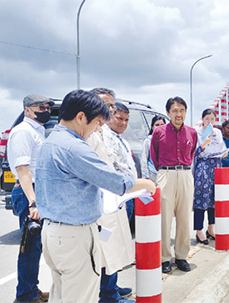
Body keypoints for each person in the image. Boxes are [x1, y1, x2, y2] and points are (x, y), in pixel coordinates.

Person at [36, 90, 155, 303]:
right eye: (97, 123)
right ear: (81, 117)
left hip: (53, 233)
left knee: (61, 295)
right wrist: (146, 183)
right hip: (75, 236)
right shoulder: (74, 147)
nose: (97, 130)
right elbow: (115, 181)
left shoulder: (52, 140)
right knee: (81, 298)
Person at [88, 88, 135, 303]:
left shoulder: (103, 131)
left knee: (113, 247)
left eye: (110, 106)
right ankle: (108, 295)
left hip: (115, 198)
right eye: (104, 105)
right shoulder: (89, 133)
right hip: (99, 201)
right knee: (104, 249)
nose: (107, 110)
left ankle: (110, 290)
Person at [7, 94, 53, 303]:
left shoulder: (38, 131)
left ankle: (31, 289)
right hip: (29, 193)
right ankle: (25, 296)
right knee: (29, 247)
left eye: (47, 107)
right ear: (27, 110)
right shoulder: (23, 132)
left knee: (36, 248)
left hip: (37, 191)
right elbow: (23, 169)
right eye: (41, 107)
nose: (46, 110)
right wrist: (33, 201)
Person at [150, 96, 197, 273]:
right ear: (168, 112)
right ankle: (164, 257)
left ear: (185, 112)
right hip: (166, 174)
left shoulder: (192, 132)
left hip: (185, 174)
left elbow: (192, 153)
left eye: (182, 110)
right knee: (164, 218)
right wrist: (165, 172)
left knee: (184, 217)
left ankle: (181, 256)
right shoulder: (159, 132)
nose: (179, 114)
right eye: (175, 110)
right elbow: (154, 156)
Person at [193, 109, 228, 245]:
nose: (210, 122)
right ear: (202, 119)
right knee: (201, 199)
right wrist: (205, 143)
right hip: (203, 167)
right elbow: (196, 153)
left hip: (217, 166)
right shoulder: (197, 132)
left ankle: (211, 228)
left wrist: (224, 153)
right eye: (207, 119)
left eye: (212, 119)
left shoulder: (218, 132)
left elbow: (222, 148)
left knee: (215, 198)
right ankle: (198, 230)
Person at [102, 102, 137, 221]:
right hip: (117, 193)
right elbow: (111, 166)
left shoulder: (121, 139)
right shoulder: (105, 137)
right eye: (120, 118)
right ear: (109, 116)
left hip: (129, 191)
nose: (123, 123)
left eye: (126, 120)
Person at [140, 116, 166, 183]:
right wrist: (146, 176)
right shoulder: (148, 140)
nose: (159, 127)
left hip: (165, 174)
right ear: (152, 127)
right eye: (157, 125)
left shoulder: (168, 140)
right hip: (152, 174)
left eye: (162, 125)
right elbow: (144, 159)